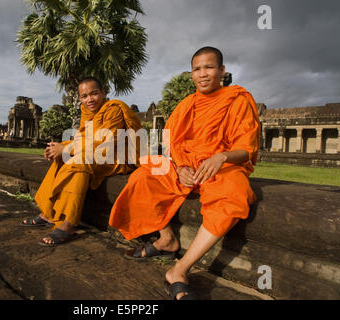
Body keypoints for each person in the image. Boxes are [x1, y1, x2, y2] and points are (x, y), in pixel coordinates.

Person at [108, 47, 260, 300]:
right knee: (143, 176)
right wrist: (179, 168)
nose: (203, 74)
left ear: (221, 70)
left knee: (235, 193)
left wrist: (221, 157)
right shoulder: (186, 104)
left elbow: (246, 147)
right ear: (191, 74)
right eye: (197, 69)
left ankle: (180, 269)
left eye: (209, 67)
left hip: (220, 166)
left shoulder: (237, 99)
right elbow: (172, 144)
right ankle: (166, 239)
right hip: (185, 165)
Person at [21, 77, 141, 246]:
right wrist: (61, 146)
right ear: (79, 99)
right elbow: (84, 139)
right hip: (97, 153)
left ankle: (69, 223)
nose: (89, 99)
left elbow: (105, 141)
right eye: (84, 96)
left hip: (117, 156)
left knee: (79, 162)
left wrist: (67, 149)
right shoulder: (87, 113)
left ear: (103, 93)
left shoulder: (113, 109)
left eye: (94, 94)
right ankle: (48, 213)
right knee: (62, 159)